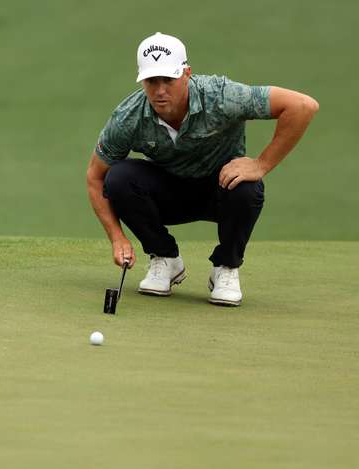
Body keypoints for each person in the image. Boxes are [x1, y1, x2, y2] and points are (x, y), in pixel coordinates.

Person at [86, 32, 318, 306]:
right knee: (119, 178)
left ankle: (226, 268)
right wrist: (117, 238)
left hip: (221, 192)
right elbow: (95, 177)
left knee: (248, 186)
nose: (160, 90)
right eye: (151, 81)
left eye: (168, 80)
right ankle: (164, 259)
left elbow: (303, 106)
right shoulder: (129, 117)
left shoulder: (220, 95)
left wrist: (261, 164)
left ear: (186, 73)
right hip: (168, 195)